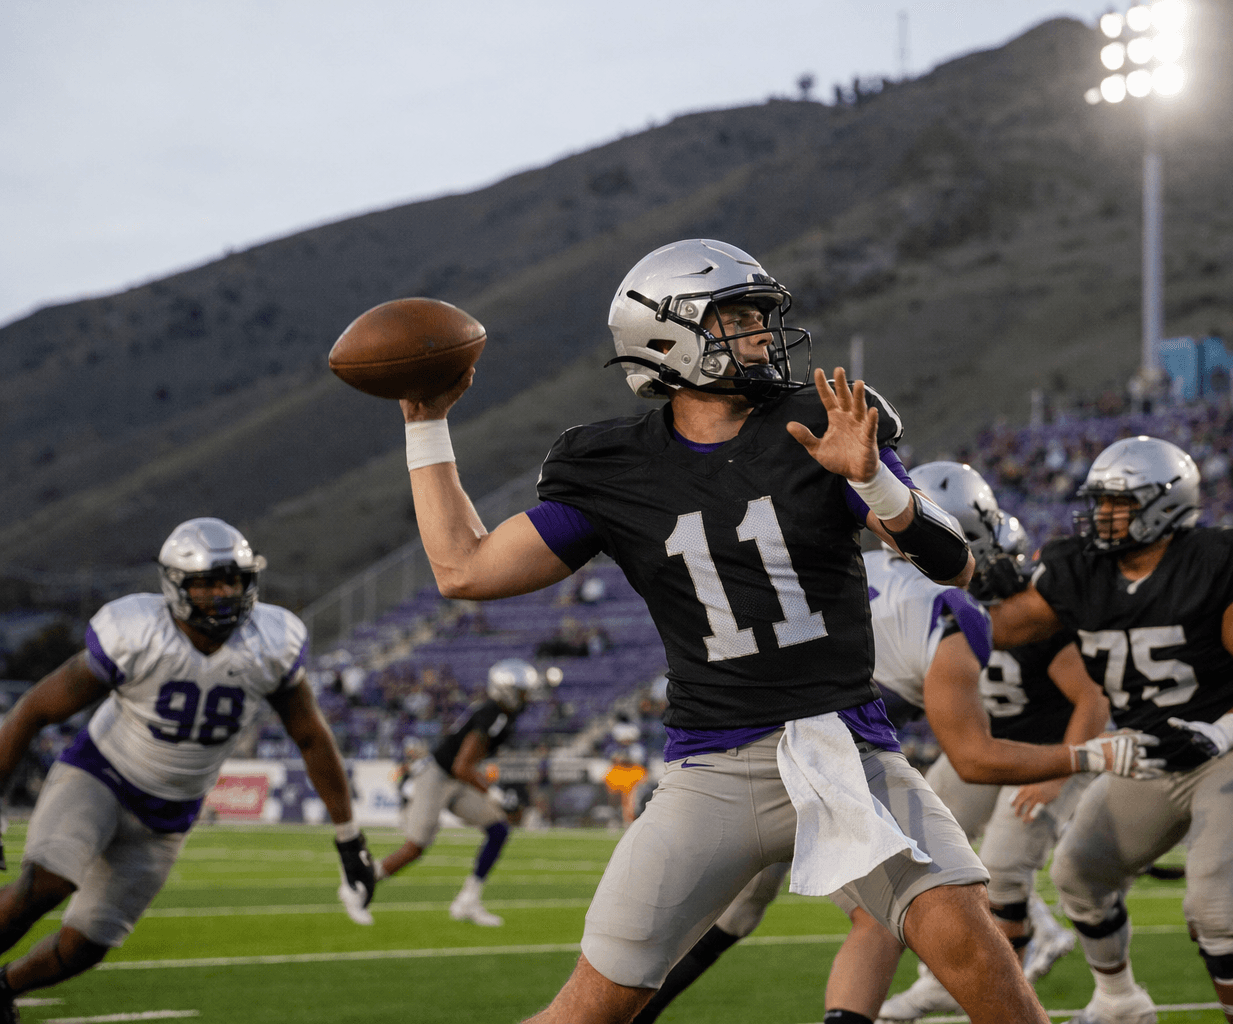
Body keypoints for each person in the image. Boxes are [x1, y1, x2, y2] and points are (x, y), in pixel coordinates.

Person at [398, 238, 1058, 1024]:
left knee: (984, 967)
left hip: (845, 751)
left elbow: (954, 564)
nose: (758, 334)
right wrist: (427, 424)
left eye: (758, 316)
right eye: (736, 317)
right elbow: (464, 570)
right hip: (708, 768)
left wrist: (875, 477)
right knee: (590, 1008)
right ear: (666, 336)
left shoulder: (820, 422)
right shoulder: (610, 465)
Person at [630, 461, 1157, 1024]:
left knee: (724, 917)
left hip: (736, 750)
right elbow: (974, 756)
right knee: (891, 911)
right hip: (820, 762)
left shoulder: (841, 568)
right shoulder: (944, 608)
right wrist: (1084, 756)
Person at [0, 518, 373, 1021]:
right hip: (100, 774)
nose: (223, 593)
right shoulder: (138, 632)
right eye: (207, 582)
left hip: (171, 813)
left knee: (90, 940)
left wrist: (348, 834)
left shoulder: (271, 642)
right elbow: (34, 710)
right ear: (176, 584)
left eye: (232, 580)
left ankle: (6, 989)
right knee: (47, 883)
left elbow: (311, 735)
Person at [991, 436, 1233, 1024]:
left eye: (1118, 503)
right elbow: (1005, 628)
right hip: (1151, 753)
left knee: (1214, 910)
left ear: (1165, 505)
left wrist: (1223, 733)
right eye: (1099, 502)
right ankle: (1120, 1003)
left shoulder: (1213, 559)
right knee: (1078, 877)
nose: (1101, 516)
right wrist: (959, 576)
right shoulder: (1079, 569)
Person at [878, 466, 1111, 1022]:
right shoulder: (927, 603)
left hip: (1047, 748)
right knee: (917, 832)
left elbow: (1093, 698)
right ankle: (940, 979)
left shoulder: (1024, 612)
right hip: (990, 743)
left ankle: (1011, 987)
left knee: (1004, 868)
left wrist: (1058, 771)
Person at [372, 657, 536, 926]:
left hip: (459, 780)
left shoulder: (504, 716)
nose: (527, 697)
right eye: (522, 691)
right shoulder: (493, 714)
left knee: (498, 829)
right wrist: (494, 793)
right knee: (415, 847)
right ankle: (366, 879)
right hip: (438, 776)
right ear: (508, 690)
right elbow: (462, 766)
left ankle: (468, 901)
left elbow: (468, 766)